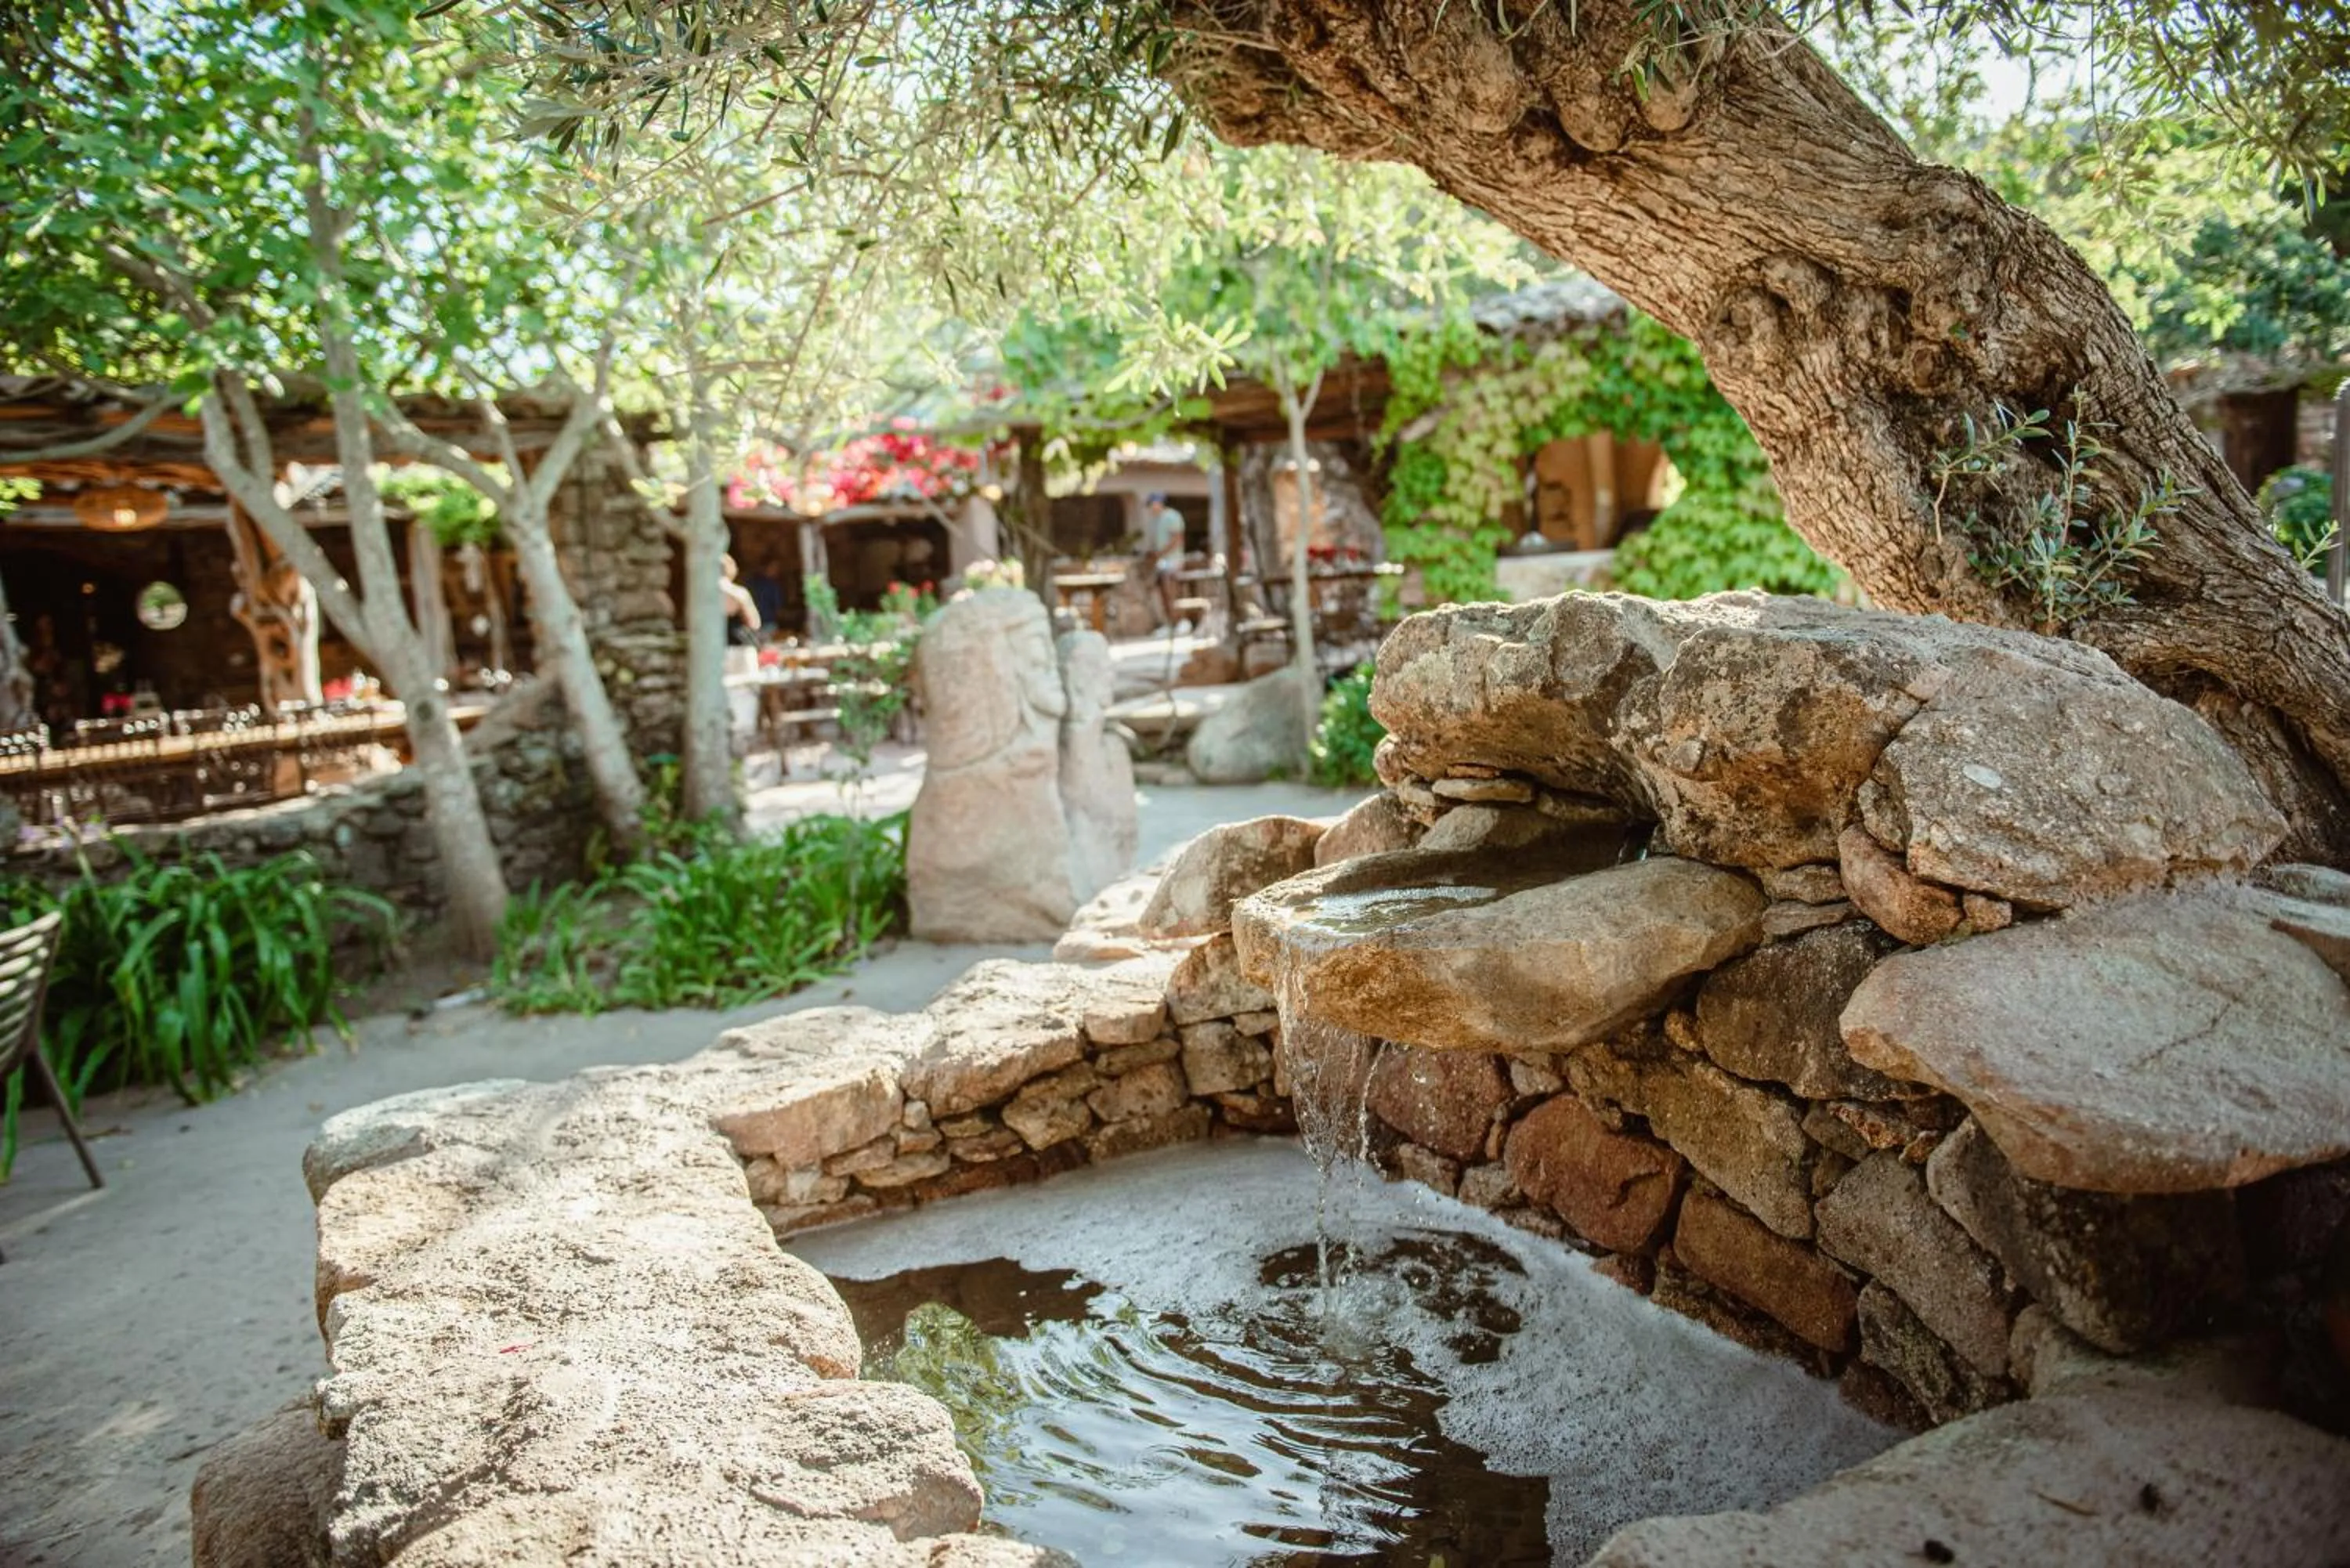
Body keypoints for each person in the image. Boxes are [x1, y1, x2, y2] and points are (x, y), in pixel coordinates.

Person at [1139, 493, 1188, 632]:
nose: (1151, 508)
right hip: (1161, 561)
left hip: (1173, 560)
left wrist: (1160, 553)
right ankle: (1170, 623)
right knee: (1164, 594)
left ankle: (1181, 621)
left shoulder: (1172, 516)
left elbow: (1177, 539)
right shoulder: (1155, 520)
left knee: (1173, 591)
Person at [719, 554, 763, 646]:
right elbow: (754, 624)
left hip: (709, 647)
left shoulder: (700, 596)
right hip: (737, 647)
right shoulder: (738, 593)